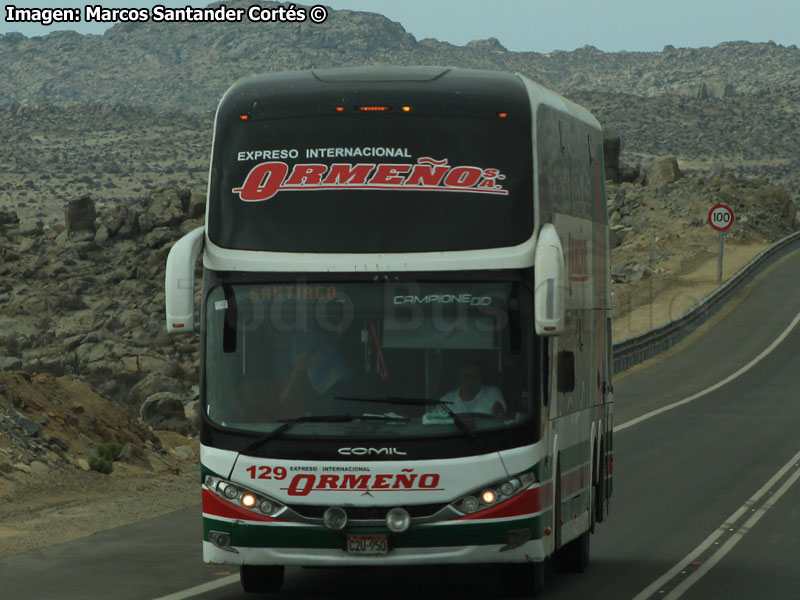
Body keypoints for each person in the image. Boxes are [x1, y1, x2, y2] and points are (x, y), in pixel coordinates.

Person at [436, 363, 506, 418]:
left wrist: (498, 412)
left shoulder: (492, 392)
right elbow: (433, 421)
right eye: (465, 377)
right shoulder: (446, 400)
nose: (469, 380)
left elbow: (500, 416)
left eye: (474, 376)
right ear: (459, 379)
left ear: (481, 378)